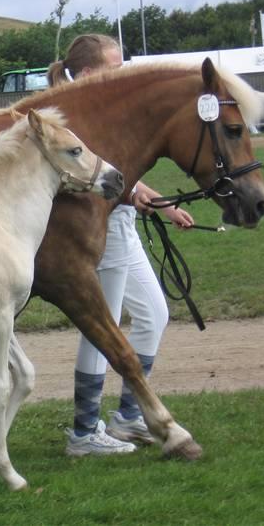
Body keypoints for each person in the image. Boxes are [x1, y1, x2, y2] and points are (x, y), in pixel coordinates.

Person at [48, 34, 195, 456]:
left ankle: (129, 416)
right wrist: (134, 194)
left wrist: (160, 203)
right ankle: (83, 432)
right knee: (104, 325)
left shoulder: (107, 110)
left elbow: (121, 166)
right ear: (92, 74)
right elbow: (93, 169)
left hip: (123, 223)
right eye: (116, 66)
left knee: (154, 313)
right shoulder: (75, 114)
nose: (124, 74)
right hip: (98, 225)